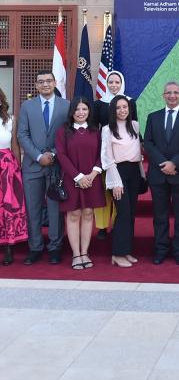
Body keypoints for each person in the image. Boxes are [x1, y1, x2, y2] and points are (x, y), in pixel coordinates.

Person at [17, 70, 69, 265]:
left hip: (57, 166)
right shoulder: (27, 106)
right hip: (32, 165)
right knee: (33, 209)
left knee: (56, 209)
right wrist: (39, 156)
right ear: (36, 85)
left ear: (55, 83)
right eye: (41, 82)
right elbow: (22, 135)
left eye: (49, 81)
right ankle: (35, 247)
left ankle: (55, 247)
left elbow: (68, 133)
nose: (45, 84)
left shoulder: (66, 105)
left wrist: (54, 154)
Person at [144, 81, 179, 265]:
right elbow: (148, 143)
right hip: (158, 175)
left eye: (175, 92)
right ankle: (161, 249)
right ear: (163, 95)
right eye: (168, 93)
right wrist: (163, 163)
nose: (172, 96)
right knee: (160, 216)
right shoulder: (153, 117)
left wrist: (174, 163)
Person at [55, 97, 105, 270]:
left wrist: (92, 174)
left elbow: (102, 154)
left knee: (89, 213)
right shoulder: (63, 131)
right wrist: (78, 177)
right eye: (77, 109)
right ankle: (76, 254)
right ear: (72, 112)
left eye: (84, 109)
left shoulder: (95, 131)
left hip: (92, 179)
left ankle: (85, 252)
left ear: (89, 111)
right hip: (72, 178)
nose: (81, 113)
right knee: (74, 214)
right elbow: (61, 155)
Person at [93, 70, 137, 240]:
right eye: (110, 82)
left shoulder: (130, 102)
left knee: (121, 194)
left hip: (123, 151)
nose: (113, 85)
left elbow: (134, 126)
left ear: (122, 83)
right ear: (106, 83)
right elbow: (94, 128)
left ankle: (118, 224)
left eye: (117, 82)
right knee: (105, 190)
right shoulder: (99, 104)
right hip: (105, 152)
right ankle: (102, 227)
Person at [101, 95, 143, 268]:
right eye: (118, 107)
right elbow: (106, 156)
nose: (122, 110)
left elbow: (138, 152)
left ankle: (126, 251)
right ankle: (117, 254)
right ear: (113, 110)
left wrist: (142, 175)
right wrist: (116, 182)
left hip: (134, 173)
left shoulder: (135, 125)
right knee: (122, 213)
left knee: (131, 213)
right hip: (117, 173)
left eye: (125, 107)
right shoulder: (107, 129)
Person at [0, 87, 27, 265]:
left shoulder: (10, 120)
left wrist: (19, 168)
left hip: (7, 167)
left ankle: (8, 247)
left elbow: (15, 146)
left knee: (6, 207)